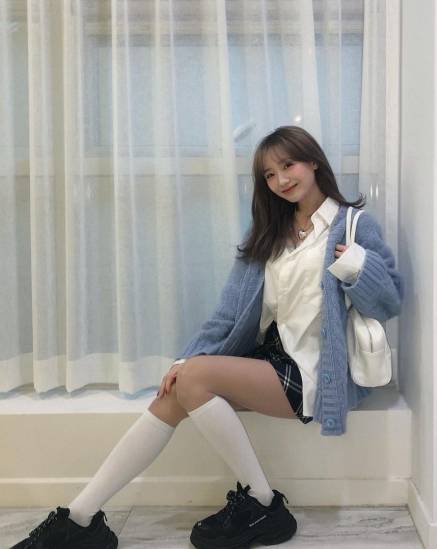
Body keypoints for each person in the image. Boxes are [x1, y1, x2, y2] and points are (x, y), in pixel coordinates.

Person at [11, 125, 403, 549]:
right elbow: (228, 314)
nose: (281, 180)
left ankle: (263, 502)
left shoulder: (353, 226)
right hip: (271, 358)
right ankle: (81, 518)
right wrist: (186, 359)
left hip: (316, 371)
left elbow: (389, 301)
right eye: (269, 175)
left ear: (312, 162)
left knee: (193, 379)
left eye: (288, 165)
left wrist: (357, 266)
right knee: (177, 389)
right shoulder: (270, 232)